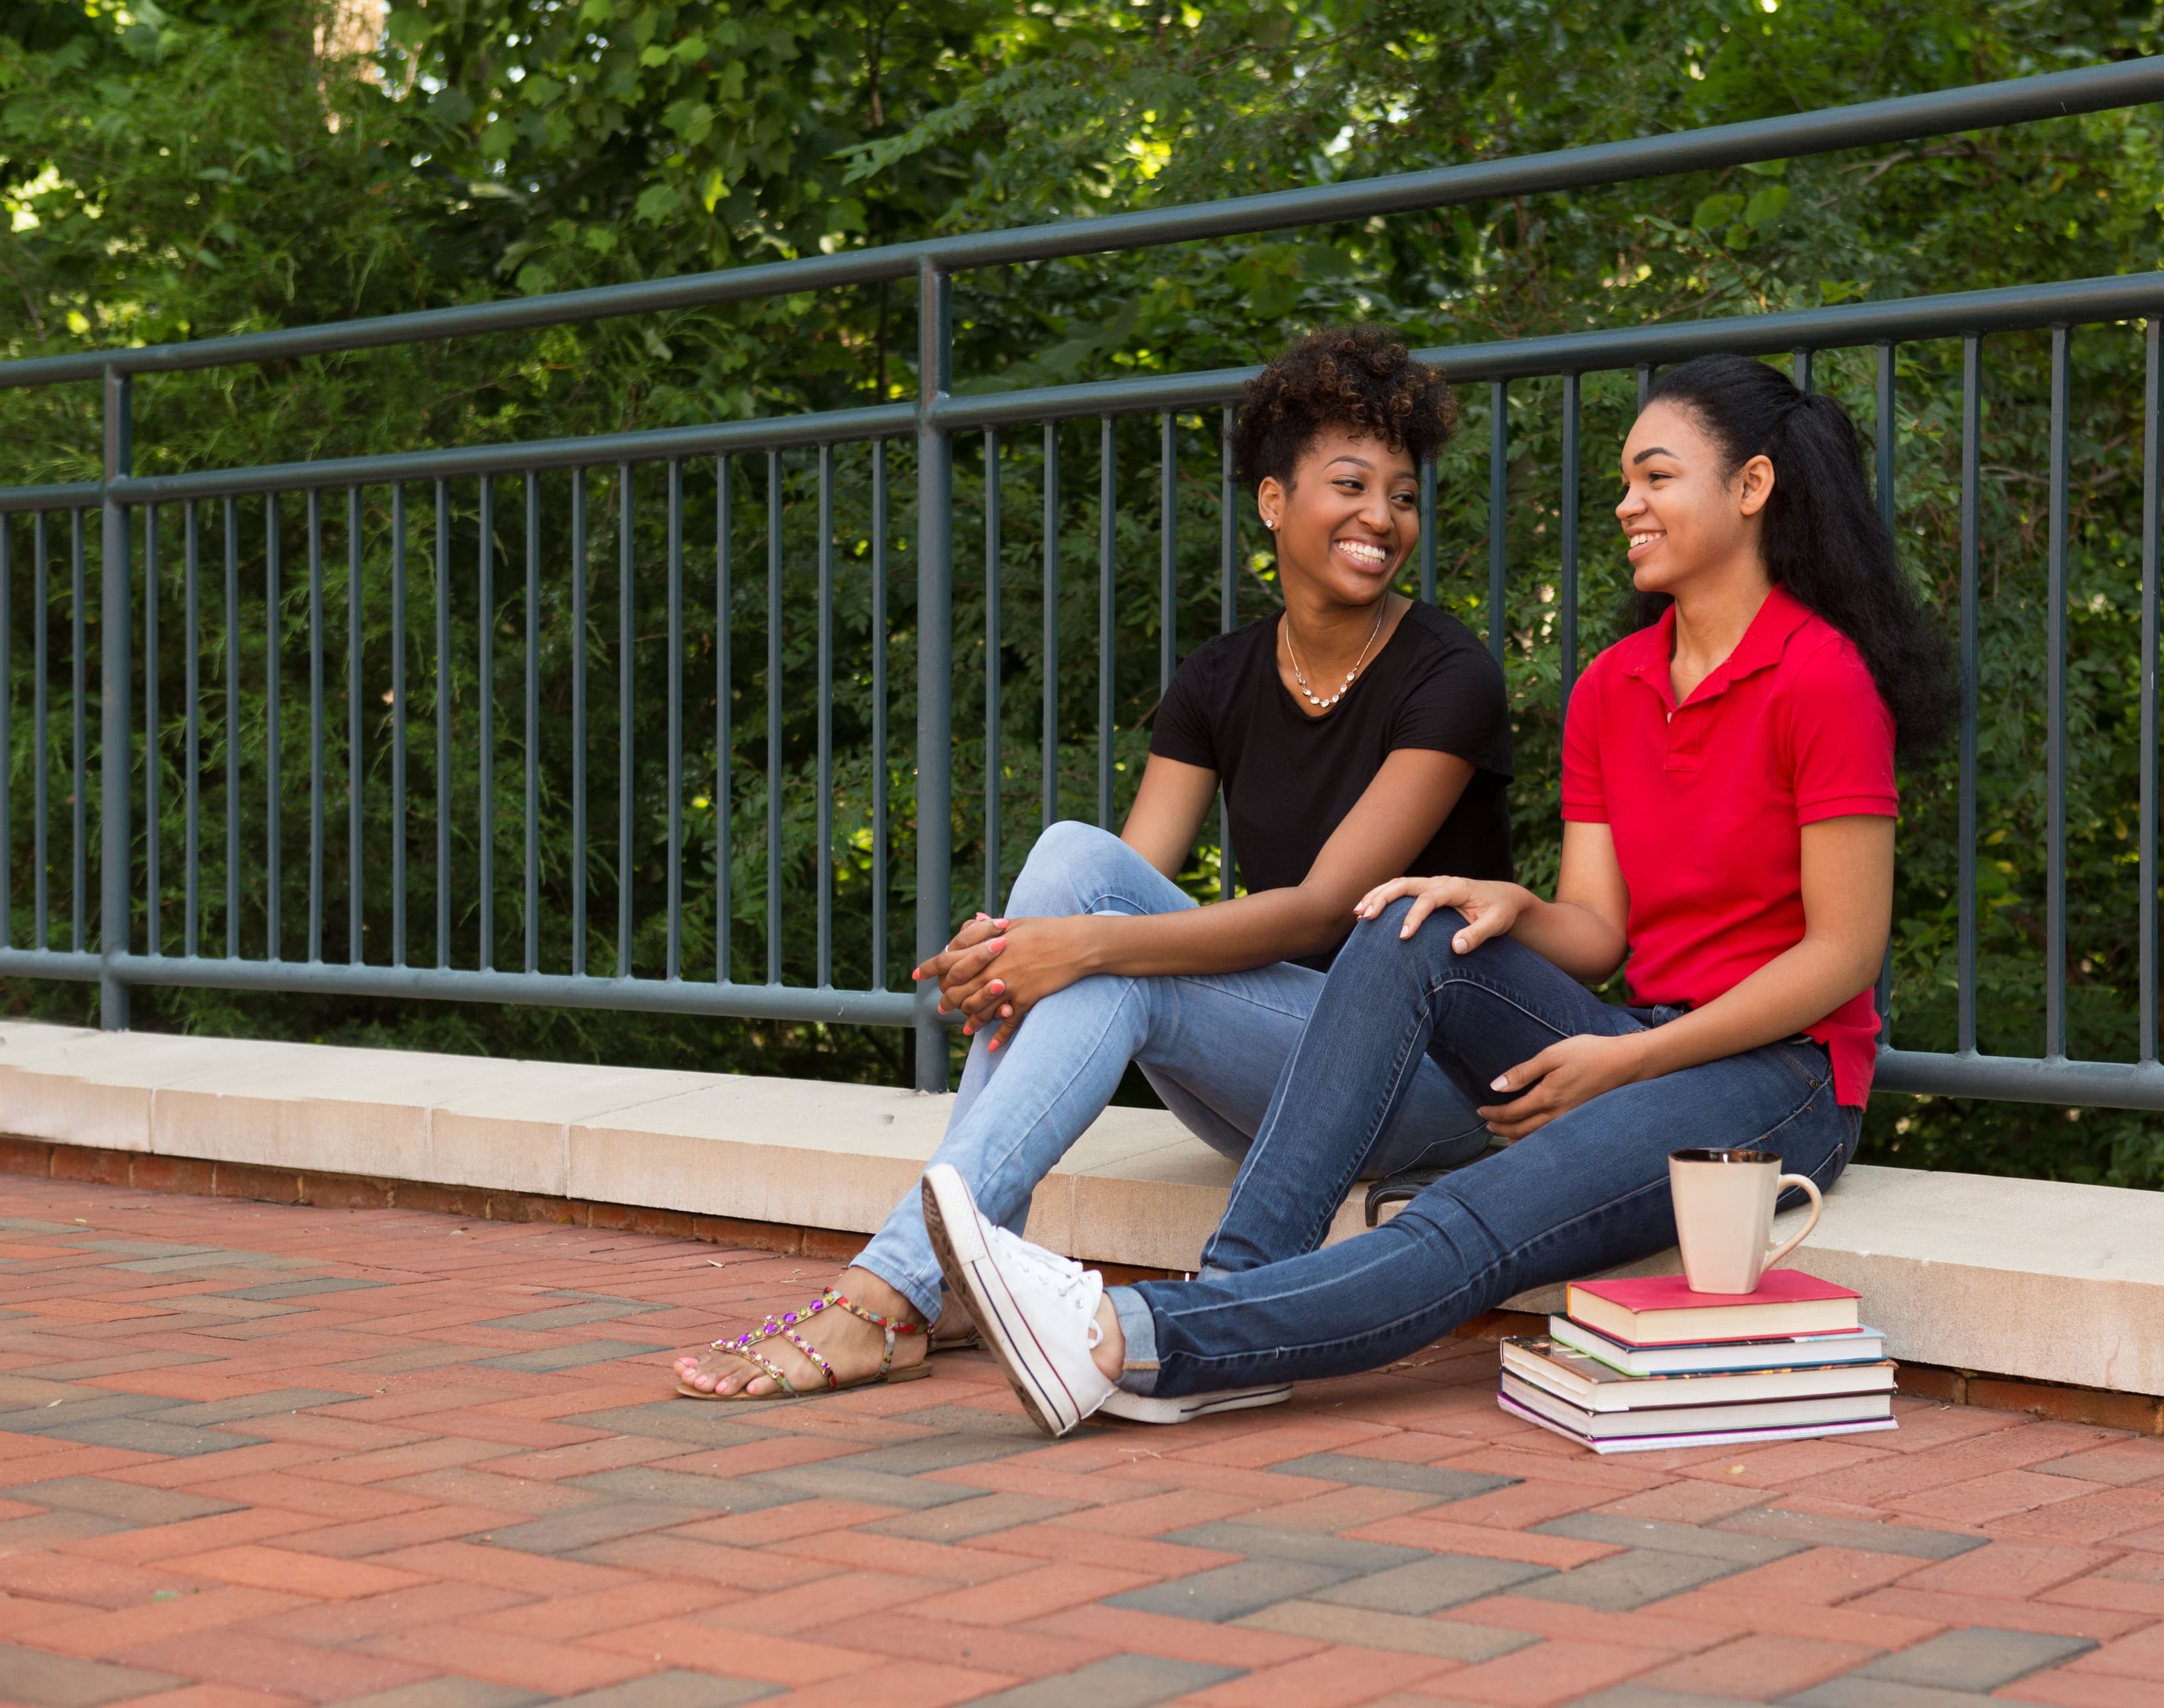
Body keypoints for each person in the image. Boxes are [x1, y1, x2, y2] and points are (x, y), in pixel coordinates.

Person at [916, 350, 1959, 1437]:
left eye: (1656, 478)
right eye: (1626, 480)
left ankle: (1147, 1335)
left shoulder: (1823, 678)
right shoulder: (1615, 685)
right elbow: (1597, 933)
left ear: (1751, 489)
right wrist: (1498, 898)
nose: (1627, 505)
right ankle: (1238, 1287)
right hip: (1633, 1030)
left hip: (1778, 1080)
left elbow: (1840, 958)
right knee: (1408, 918)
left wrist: (1630, 1059)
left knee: (1469, 1210)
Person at [674, 325, 1514, 1408]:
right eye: (1350, 484)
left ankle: (893, 1295)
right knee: (1072, 859)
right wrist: (1033, 949)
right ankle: (954, 1275)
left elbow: (1316, 916)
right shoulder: (1219, 677)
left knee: (1094, 952)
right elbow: (1112, 878)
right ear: (1271, 501)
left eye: (1403, 495)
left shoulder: (1449, 674)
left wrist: (1065, 950)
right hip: (1274, 1072)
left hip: (1429, 1082)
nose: (1382, 518)